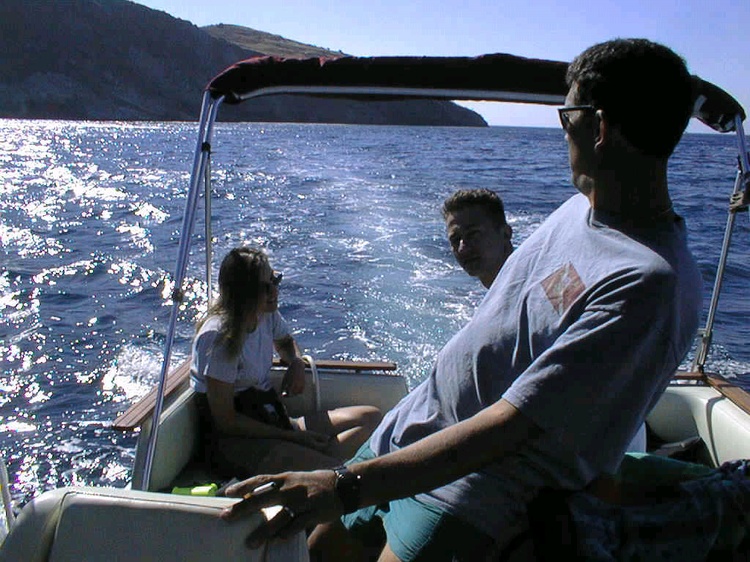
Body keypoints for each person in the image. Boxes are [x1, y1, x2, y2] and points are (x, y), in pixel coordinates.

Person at [220, 39, 703, 562]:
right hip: (406, 435)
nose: (564, 131)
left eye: (569, 115)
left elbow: (513, 427)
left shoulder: (648, 282)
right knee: (319, 553)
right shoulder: (580, 208)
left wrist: (343, 486)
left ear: (600, 126)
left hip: (470, 492)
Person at [190, 246, 381, 477]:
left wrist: (296, 363)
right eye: (265, 287)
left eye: (274, 280)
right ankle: (322, 466)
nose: (274, 291)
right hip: (235, 442)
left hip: (270, 419)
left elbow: (285, 342)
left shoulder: (264, 313)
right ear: (243, 291)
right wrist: (292, 437)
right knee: (333, 472)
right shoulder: (220, 337)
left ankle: (317, 462)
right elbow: (226, 421)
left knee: (372, 418)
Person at [442, 188, 514, 289]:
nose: (462, 249)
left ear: (506, 233)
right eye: (455, 240)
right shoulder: (502, 296)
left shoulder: (535, 292)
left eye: (473, 234)